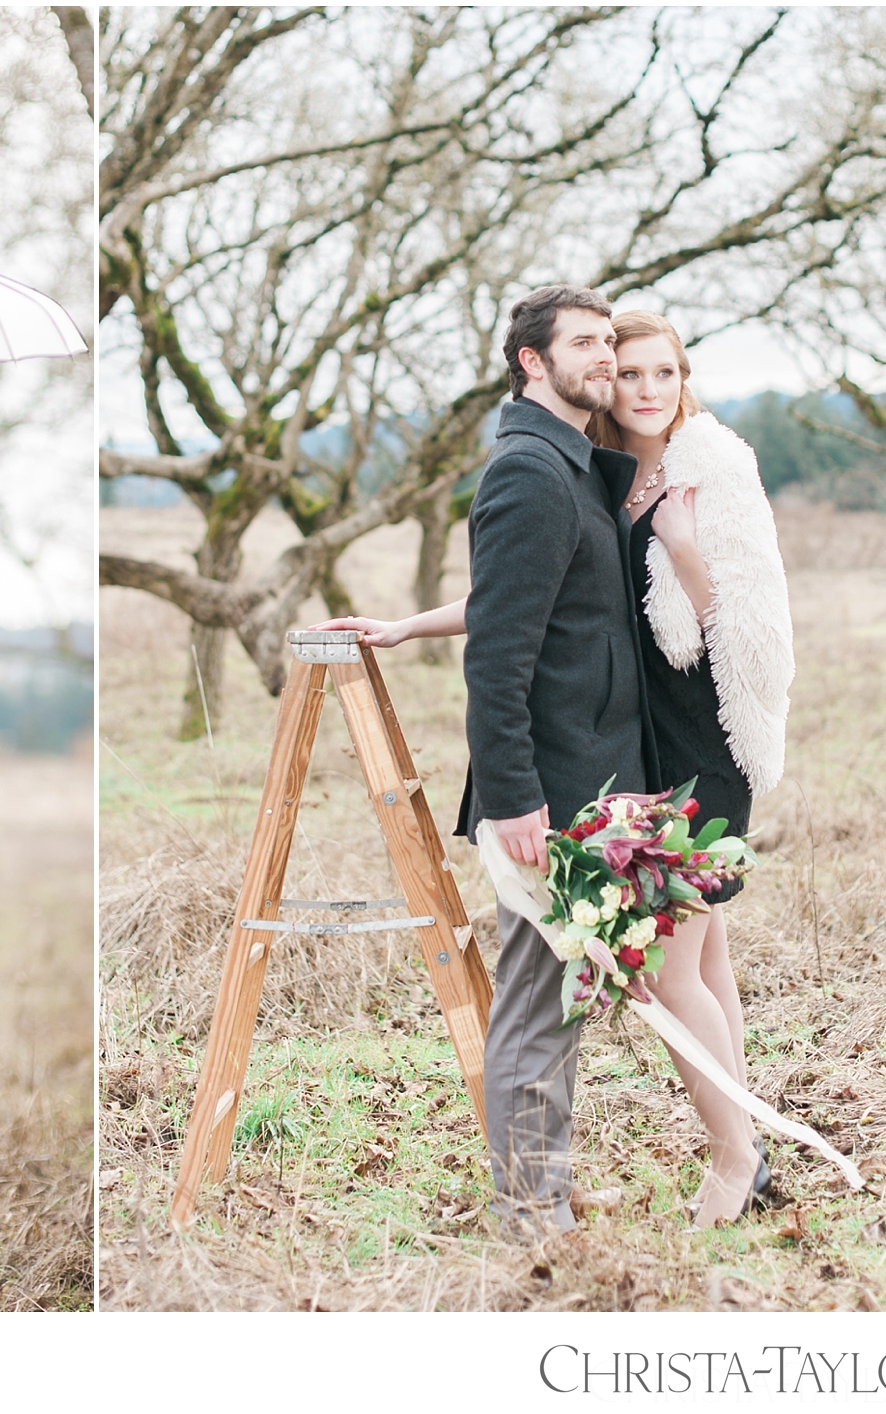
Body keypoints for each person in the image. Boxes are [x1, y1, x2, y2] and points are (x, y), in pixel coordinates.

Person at [317, 307, 793, 1229]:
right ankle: (714, 1158)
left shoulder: (698, 469)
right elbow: (525, 605)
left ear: (684, 378)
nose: (635, 382)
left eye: (656, 370)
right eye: (618, 364)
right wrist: (410, 626)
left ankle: (735, 1159)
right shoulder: (579, 468)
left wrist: (685, 551)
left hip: (693, 742)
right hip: (629, 754)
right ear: (546, 365)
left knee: (671, 973)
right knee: (690, 969)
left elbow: (744, 629)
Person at [322, 284, 657, 1241]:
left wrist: (402, 625)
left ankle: (543, 1180)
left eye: (607, 341)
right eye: (584, 344)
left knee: (562, 994)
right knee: (537, 999)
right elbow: (500, 654)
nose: (604, 358)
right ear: (530, 361)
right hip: (547, 791)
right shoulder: (528, 473)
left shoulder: (568, 465)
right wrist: (513, 796)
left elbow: (524, 601)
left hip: (589, 772)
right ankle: (525, 1208)